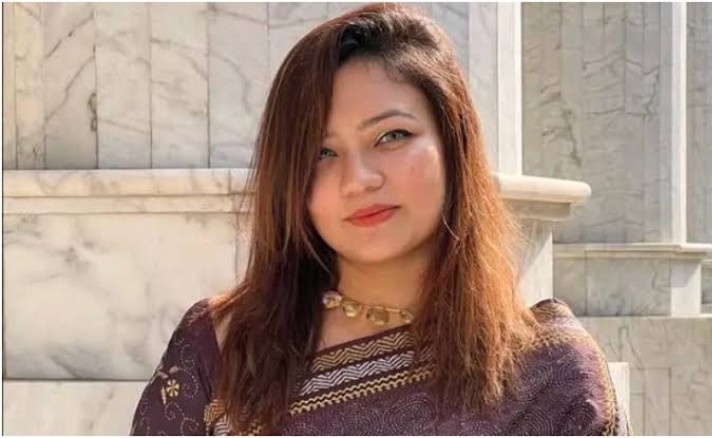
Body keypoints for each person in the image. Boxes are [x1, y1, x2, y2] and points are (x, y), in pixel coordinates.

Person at [130, 3, 631, 435]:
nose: (358, 179)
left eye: (391, 136)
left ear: (453, 146)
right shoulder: (223, 350)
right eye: (321, 153)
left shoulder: (551, 375)